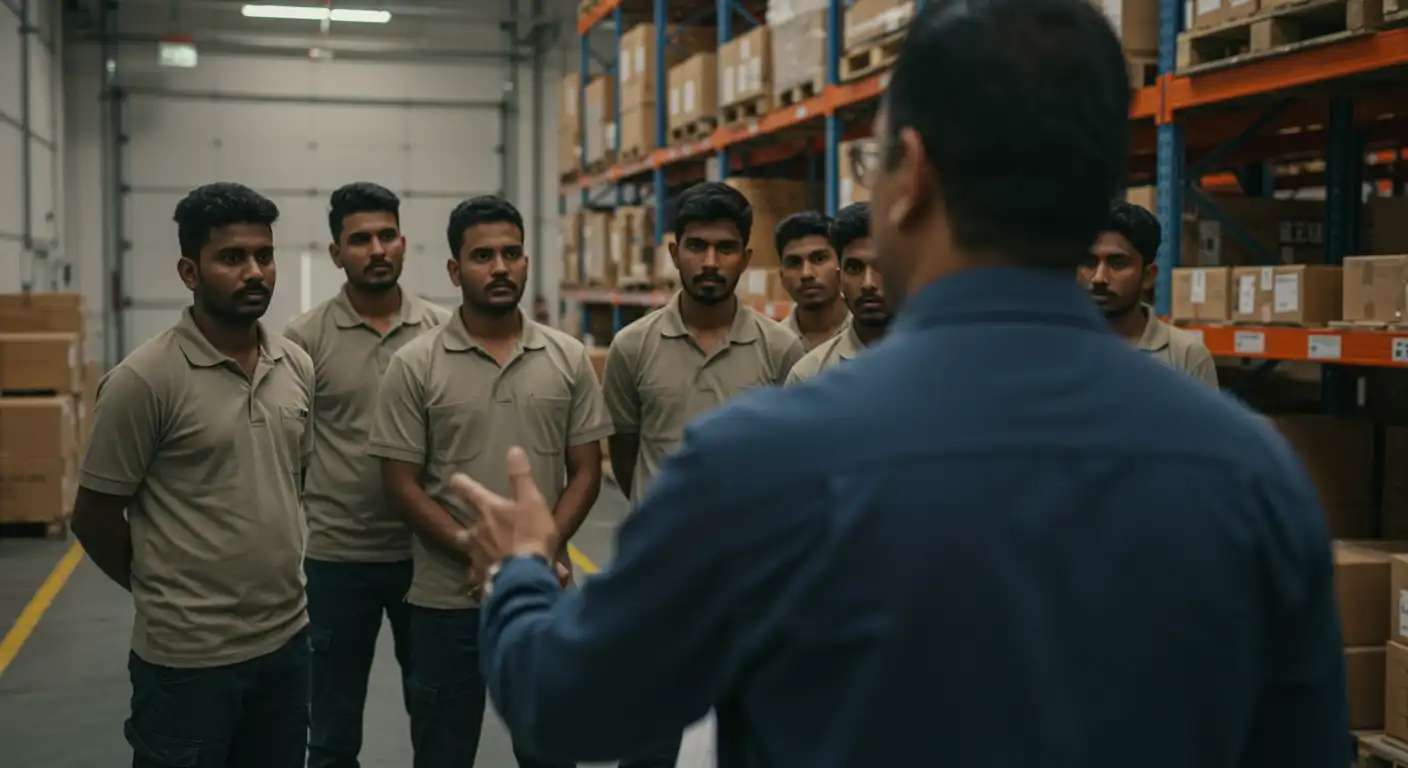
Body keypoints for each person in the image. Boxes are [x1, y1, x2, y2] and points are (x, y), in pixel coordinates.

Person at [451, 0, 1351, 766]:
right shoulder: (1255, 477)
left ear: (910, 178)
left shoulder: (763, 461)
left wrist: (524, 570)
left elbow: (568, 704)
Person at [71, 182, 315, 768]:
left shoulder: (295, 365)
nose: (254, 271)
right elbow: (94, 517)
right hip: (187, 663)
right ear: (190, 271)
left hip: (287, 643)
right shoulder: (145, 380)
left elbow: (290, 484)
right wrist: (164, 589)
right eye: (232, 258)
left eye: (264, 255)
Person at [367, 194, 612, 768]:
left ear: (526, 261)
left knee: (550, 749)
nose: (500, 267)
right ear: (455, 269)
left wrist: (531, 554)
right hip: (446, 603)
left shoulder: (568, 356)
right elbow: (400, 485)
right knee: (443, 749)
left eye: (512, 253)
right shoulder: (415, 364)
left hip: (547, 596)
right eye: (482, 256)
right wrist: (475, 552)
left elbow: (587, 469)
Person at [599, 180, 806, 767]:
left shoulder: (780, 350)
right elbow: (625, 449)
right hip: (660, 579)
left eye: (724, 247)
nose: (709, 261)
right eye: (696, 246)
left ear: (745, 255)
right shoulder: (632, 348)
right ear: (673, 251)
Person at [283, 182, 453, 768]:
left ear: (404, 243)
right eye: (359, 240)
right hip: (337, 560)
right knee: (329, 732)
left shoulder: (443, 331)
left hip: (428, 558)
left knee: (438, 720)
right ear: (336, 254)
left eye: (387, 235)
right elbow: (290, 449)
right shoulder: (303, 342)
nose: (376, 249)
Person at [1080, 200, 1219, 386]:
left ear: (1147, 276)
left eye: (1117, 263)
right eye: (1089, 262)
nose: (1099, 278)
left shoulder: (1186, 356)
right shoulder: (1053, 348)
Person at [786, 203, 891, 384]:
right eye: (854, 268)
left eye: (882, 267)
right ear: (839, 278)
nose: (868, 284)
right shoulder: (809, 376)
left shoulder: (944, 364)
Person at [774, 211, 850, 350]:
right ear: (782, 277)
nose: (806, 274)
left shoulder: (872, 335)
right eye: (794, 263)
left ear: (842, 266)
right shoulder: (773, 346)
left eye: (819, 259)